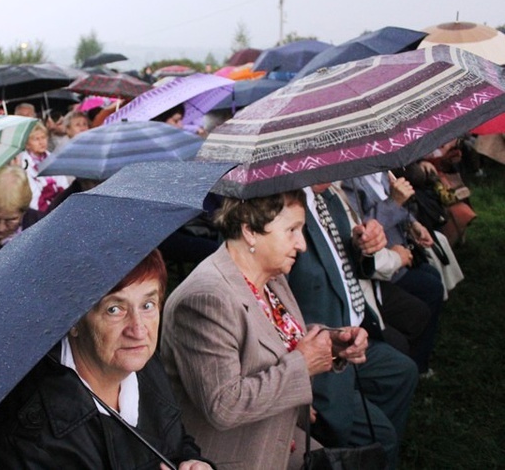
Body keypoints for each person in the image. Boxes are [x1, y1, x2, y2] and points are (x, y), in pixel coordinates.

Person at [0, 250, 213, 469]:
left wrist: (194, 462)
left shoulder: (143, 364)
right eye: (114, 309)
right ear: (73, 322)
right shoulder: (32, 434)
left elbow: (176, 442)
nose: (138, 329)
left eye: (148, 305)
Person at [160, 191, 369, 469]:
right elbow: (224, 405)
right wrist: (303, 365)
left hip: (277, 439)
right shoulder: (206, 299)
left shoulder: (271, 278)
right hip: (232, 458)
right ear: (250, 230)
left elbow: (270, 335)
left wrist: (330, 341)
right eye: (292, 230)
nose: (302, 244)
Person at [287, 184, 418, 469]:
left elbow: (351, 267)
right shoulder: (282, 207)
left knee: (401, 372)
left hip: (353, 331)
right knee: (380, 437)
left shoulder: (331, 197)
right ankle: (361, 452)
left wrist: (366, 247)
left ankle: (366, 453)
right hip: (317, 349)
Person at [342, 172, 445, 375]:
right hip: (381, 267)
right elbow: (360, 231)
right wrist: (394, 201)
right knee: (430, 288)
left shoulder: (380, 170)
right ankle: (416, 365)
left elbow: (399, 207)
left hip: (401, 252)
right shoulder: (348, 180)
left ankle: (416, 361)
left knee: (431, 277)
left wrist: (413, 223)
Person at [15, 122, 71, 212]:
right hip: (35, 209)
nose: (41, 142)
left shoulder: (53, 158)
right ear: (27, 144)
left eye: (43, 137)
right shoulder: (21, 162)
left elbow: (63, 184)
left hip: (58, 204)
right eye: (36, 139)